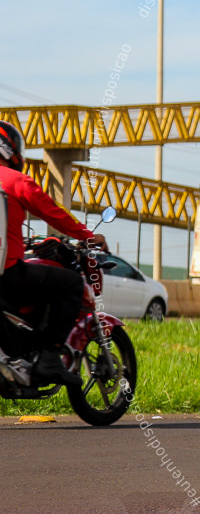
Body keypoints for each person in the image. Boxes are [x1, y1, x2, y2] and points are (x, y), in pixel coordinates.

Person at [0, 121, 108, 386]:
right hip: (8, 273)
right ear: (8, 149)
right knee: (71, 284)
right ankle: (49, 357)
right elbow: (52, 212)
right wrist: (87, 235)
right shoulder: (14, 180)